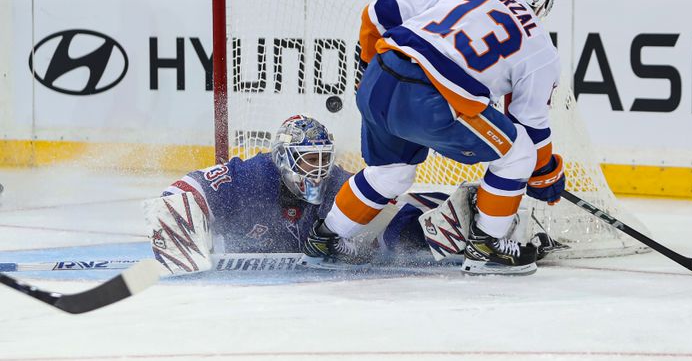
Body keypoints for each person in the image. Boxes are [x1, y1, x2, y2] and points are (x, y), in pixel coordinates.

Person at [300, 0, 564, 276]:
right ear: (543, 3)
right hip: (431, 101)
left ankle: (326, 239)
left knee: (391, 173)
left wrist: (364, 70)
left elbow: (378, 12)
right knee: (518, 151)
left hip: (378, 79)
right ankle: (486, 246)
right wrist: (545, 176)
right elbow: (531, 129)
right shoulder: (539, 45)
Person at [143, 115, 485, 274]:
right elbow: (186, 190)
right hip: (252, 306)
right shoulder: (253, 177)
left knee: (394, 232)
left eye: (323, 159)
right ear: (283, 159)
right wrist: (177, 217)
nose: (318, 170)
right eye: (308, 159)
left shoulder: (337, 183)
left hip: (301, 294)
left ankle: (468, 222)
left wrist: (368, 243)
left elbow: (385, 211)